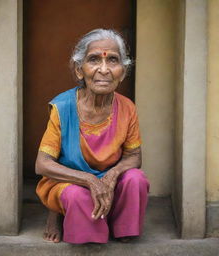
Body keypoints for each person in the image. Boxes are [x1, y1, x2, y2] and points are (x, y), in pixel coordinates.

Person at [35, 28, 150, 244]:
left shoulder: (127, 108)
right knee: (79, 196)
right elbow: (42, 165)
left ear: (122, 72)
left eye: (113, 61)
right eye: (94, 60)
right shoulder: (62, 107)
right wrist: (88, 179)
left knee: (136, 179)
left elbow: (134, 157)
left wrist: (113, 174)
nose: (104, 69)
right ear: (80, 70)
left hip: (108, 179)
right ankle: (66, 219)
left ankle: (121, 229)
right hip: (70, 180)